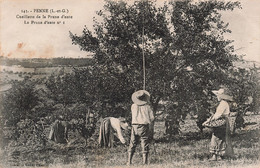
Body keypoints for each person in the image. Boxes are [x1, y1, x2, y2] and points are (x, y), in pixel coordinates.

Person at [127, 90, 154, 165]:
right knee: (144, 143)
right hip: (143, 126)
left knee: (132, 143)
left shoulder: (133, 106)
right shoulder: (148, 107)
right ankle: (144, 163)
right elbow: (152, 118)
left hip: (134, 126)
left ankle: (129, 162)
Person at [206, 88, 234, 161]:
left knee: (217, 137)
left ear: (222, 96)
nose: (217, 97)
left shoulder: (223, 104)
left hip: (221, 121)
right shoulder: (223, 103)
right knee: (221, 138)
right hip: (223, 121)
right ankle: (220, 155)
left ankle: (217, 156)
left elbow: (218, 114)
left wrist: (210, 120)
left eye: (218, 95)